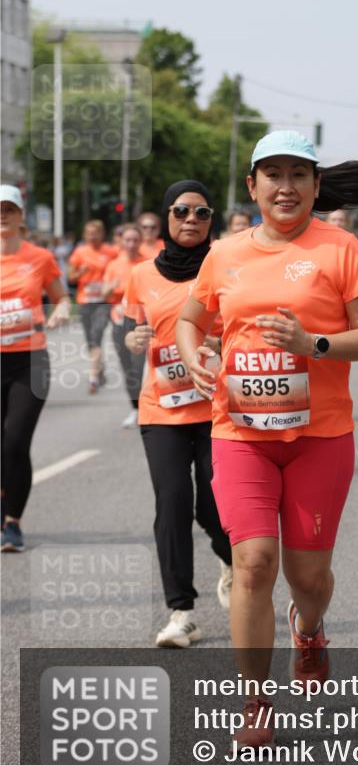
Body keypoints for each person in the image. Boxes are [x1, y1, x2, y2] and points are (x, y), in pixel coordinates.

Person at [176, 130, 358, 749]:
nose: (286, 186)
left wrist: (312, 345)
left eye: (299, 174)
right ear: (252, 187)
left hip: (320, 435)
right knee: (252, 564)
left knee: (308, 577)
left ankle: (311, 628)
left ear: (316, 186)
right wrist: (195, 359)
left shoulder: (340, 247)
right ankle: (254, 700)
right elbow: (192, 320)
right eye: (272, 174)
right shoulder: (224, 254)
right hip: (238, 432)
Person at [123, 182, 232, 647]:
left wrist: (215, 344)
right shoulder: (140, 275)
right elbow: (137, 330)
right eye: (182, 211)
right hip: (161, 410)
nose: (191, 219)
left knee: (212, 505)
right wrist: (134, 341)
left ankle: (232, 560)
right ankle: (181, 612)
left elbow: (244, 332)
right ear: (166, 217)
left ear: (212, 221)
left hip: (217, 408)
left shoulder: (226, 269)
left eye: (202, 213)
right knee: (171, 504)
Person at [1, 185, 70, 552]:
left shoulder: (39, 257)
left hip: (30, 361)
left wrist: (60, 310)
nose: (2, 215)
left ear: (21, 215)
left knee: (15, 442)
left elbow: (61, 297)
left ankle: (13, 522)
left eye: (9, 208)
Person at [102, 223, 148, 428]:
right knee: (127, 368)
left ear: (140, 241)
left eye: (135, 240)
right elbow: (104, 293)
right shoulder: (114, 265)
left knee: (140, 368)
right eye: (127, 240)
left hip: (139, 322)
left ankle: (146, 407)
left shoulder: (147, 264)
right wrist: (111, 288)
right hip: (119, 321)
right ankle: (135, 409)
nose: (131, 244)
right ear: (120, 241)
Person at [68, 220, 116, 394]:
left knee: (97, 334)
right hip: (85, 301)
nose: (93, 236)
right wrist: (80, 272)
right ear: (85, 235)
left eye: (96, 232)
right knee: (90, 340)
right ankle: (99, 366)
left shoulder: (111, 252)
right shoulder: (80, 252)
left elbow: (119, 270)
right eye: (89, 233)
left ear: (102, 234)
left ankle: (93, 378)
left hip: (103, 302)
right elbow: (71, 277)